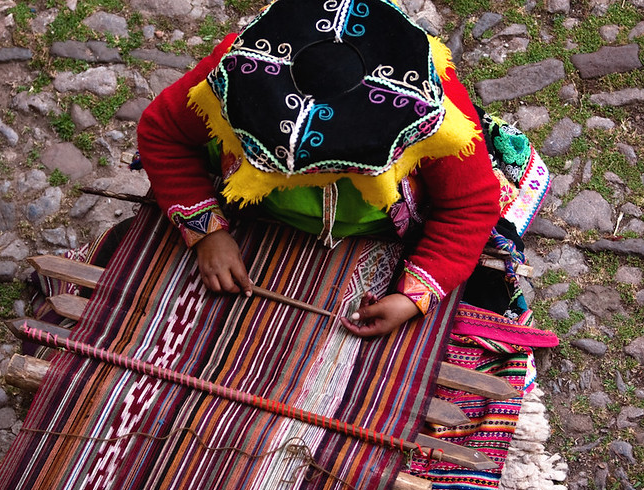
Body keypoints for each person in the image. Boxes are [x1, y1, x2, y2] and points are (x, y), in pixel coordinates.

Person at [137, 0, 502, 337]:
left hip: (379, 222)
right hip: (260, 207)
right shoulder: (236, 68)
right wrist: (207, 233)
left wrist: (412, 297)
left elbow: (470, 206)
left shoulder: (432, 113)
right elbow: (162, 132)